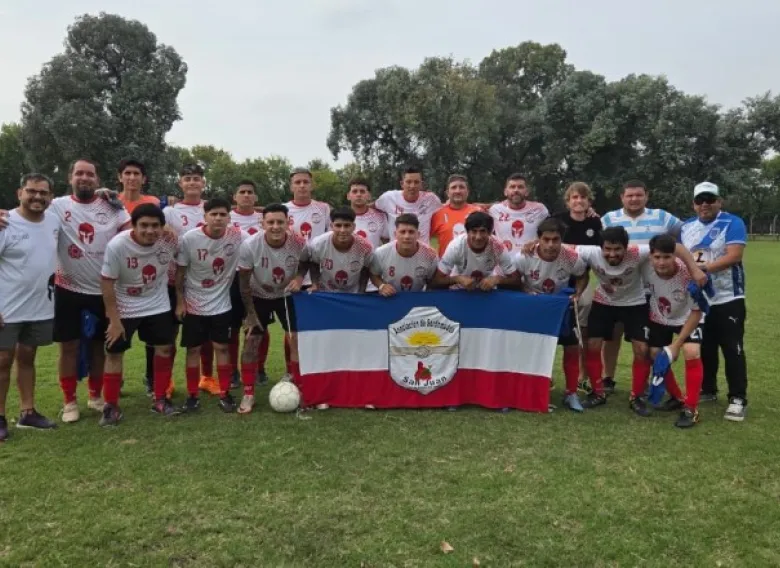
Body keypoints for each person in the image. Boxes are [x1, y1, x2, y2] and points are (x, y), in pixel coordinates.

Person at [576, 226, 705, 415]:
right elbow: (564, 247)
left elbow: (674, 246)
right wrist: (533, 244)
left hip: (636, 304)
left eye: (618, 249)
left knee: (643, 349)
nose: (612, 254)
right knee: (593, 345)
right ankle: (598, 393)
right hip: (604, 302)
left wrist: (694, 268)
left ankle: (636, 396)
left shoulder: (641, 253)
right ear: (601, 247)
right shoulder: (591, 252)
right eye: (607, 249)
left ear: (627, 247)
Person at [46, 159, 132, 423]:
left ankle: (95, 395)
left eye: (90, 174)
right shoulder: (57, 205)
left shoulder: (112, 206)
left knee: (99, 346)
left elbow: (130, 235)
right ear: (70, 177)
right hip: (67, 287)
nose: (84, 178)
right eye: (79, 173)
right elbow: (29, 210)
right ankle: (69, 400)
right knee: (68, 347)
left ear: (97, 179)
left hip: (104, 290)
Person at [600, 180, 683, 393]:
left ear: (646, 196)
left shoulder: (662, 217)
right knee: (613, 335)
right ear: (622, 197)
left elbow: (684, 234)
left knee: (644, 339)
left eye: (638, 195)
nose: (634, 199)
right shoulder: (609, 218)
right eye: (629, 195)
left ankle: (647, 382)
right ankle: (607, 377)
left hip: (653, 289)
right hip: (620, 288)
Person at [99, 204, 178, 425]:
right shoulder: (118, 245)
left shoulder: (169, 240)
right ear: (133, 225)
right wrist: (114, 321)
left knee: (164, 348)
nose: (150, 231)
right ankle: (111, 406)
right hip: (125, 305)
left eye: (155, 226)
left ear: (163, 227)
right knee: (115, 353)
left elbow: (183, 263)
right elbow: (107, 283)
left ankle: (160, 398)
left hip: (157, 303)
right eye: (144, 225)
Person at [680, 182, 748, 421]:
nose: (705, 204)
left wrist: (702, 269)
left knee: (732, 347)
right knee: (704, 346)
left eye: (710, 199)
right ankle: (708, 389)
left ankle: (738, 397)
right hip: (700, 298)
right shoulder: (686, 226)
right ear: (694, 204)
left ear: (719, 201)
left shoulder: (733, 222)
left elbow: (734, 255)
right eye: (700, 200)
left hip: (728, 296)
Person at [0, 174, 60, 440]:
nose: (37, 197)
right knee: (2, 361)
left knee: (28, 358)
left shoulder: (54, 221)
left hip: (39, 306)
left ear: (50, 196)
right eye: (31, 191)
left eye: (43, 193)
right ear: (19, 193)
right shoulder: (5, 223)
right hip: (6, 308)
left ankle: (28, 412)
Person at [176, 197, 247, 413]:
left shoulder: (238, 236)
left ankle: (225, 393)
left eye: (222, 214)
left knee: (222, 347)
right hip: (194, 304)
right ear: (205, 216)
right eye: (213, 214)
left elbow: (261, 242)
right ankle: (191, 395)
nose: (218, 218)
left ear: (229, 217)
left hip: (221, 303)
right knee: (193, 349)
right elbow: (179, 274)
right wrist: (180, 301)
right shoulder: (190, 239)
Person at [237, 203, 308, 414]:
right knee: (251, 341)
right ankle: (248, 392)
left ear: (288, 223)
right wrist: (250, 314)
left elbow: (306, 263)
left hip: (287, 295)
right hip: (258, 295)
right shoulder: (250, 245)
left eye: (280, 222)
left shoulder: (298, 242)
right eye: (271, 222)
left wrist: (298, 277)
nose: (275, 226)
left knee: (295, 339)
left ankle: (301, 387)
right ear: (262, 223)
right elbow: (243, 283)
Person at [514, 217, 590, 412]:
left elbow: (583, 275)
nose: (551, 244)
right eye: (546, 239)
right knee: (535, 350)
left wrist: (578, 293)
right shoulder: (524, 257)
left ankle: (571, 393)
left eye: (555, 239)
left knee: (572, 347)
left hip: (560, 308)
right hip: (535, 309)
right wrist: (525, 291)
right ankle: (535, 391)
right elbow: (514, 279)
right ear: (538, 238)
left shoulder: (571, 257)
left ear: (561, 240)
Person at [152, 164, 212, 396]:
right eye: (187, 178)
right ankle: (167, 382)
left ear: (203, 183)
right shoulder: (169, 213)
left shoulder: (210, 209)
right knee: (171, 335)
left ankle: (206, 377)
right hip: (174, 280)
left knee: (204, 336)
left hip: (205, 283)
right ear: (180, 183)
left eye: (196, 178)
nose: (192, 182)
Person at [641, 234, 705, 428]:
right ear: (650, 256)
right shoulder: (645, 268)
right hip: (660, 317)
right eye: (657, 257)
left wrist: (676, 345)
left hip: (688, 317)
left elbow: (697, 311)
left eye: (667, 257)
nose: (661, 262)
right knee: (654, 354)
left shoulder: (688, 276)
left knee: (691, 351)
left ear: (675, 257)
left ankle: (691, 408)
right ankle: (677, 397)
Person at [553, 182, 602, 391]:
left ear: (589, 201)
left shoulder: (596, 223)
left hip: (582, 280)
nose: (579, 201)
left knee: (583, 329)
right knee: (553, 329)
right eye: (574, 197)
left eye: (583, 198)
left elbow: (602, 252)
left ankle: (583, 374)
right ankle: (546, 375)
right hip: (556, 281)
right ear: (568, 201)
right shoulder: (557, 220)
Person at [229, 179, 268, 385]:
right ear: (234, 197)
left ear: (256, 197)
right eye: (242, 192)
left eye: (250, 192)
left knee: (259, 326)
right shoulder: (226, 217)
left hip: (260, 278)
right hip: (234, 277)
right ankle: (233, 371)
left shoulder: (265, 218)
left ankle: (259, 368)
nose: (246, 195)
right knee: (234, 327)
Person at [432, 211, 520, 291]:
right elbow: (437, 280)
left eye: (482, 231)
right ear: (467, 232)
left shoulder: (498, 247)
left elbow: (516, 280)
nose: (478, 237)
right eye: (474, 231)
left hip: (487, 291)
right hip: (459, 291)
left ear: (489, 233)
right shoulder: (456, 246)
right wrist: (457, 279)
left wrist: (497, 279)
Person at [305, 208, 374, 293]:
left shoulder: (365, 247)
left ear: (353, 227)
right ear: (331, 226)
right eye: (338, 225)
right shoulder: (318, 244)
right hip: (326, 291)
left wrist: (361, 291)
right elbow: (314, 264)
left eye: (347, 225)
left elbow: (366, 269)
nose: (342, 230)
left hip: (353, 293)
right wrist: (315, 284)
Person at [369, 214, 439, 295]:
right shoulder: (381, 252)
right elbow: (373, 274)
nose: (407, 236)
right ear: (395, 234)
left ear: (418, 234)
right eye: (402, 232)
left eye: (411, 232)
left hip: (417, 298)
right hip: (390, 298)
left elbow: (432, 282)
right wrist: (381, 286)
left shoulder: (430, 255)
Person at [374, 166, 442, 245]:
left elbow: (445, 210)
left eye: (416, 182)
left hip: (422, 254)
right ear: (402, 184)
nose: (412, 186)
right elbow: (372, 207)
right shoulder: (389, 197)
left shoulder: (431, 199)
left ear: (421, 184)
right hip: (397, 253)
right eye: (408, 182)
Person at [489, 173, 550, 253]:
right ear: (505, 192)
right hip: (504, 263)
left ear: (527, 192)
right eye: (512, 187)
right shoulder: (495, 210)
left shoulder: (540, 209)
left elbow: (551, 232)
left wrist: (537, 242)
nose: (516, 190)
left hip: (530, 261)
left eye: (520, 187)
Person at [430, 174, 481, 257]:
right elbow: (424, 238)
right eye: (453, 187)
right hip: (446, 267)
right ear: (447, 193)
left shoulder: (478, 212)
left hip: (473, 266)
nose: (458, 191)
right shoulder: (437, 214)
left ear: (467, 192)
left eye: (461, 187)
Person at [347, 178, 389, 249]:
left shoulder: (380, 216)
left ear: (369, 196)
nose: (358, 194)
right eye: (354, 191)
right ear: (348, 196)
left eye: (362, 191)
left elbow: (387, 243)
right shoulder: (340, 217)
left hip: (373, 260)